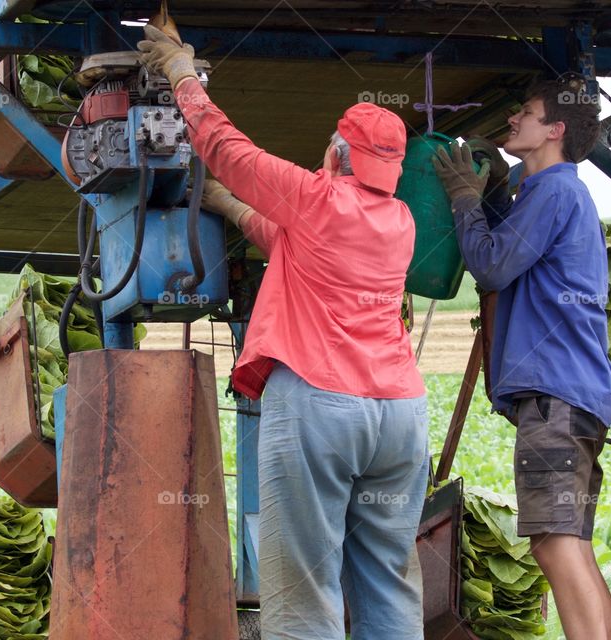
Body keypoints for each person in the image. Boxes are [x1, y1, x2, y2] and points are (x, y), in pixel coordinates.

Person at [140, 25, 428, 640]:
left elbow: (223, 144)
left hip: (322, 408)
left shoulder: (316, 198)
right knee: (388, 581)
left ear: (333, 153)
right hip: (400, 416)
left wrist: (180, 71)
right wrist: (229, 206)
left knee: (303, 584)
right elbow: (291, 242)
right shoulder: (398, 220)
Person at [433, 78, 611, 640]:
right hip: (573, 396)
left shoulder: (555, 191)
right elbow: (514, 250)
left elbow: (490, 266)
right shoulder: (553, 194)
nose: (514, 119)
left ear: (555, 130)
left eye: (527, 113)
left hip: (557, 398)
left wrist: (465, 198)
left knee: (557, 545)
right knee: (565, 545)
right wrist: (491, 198)